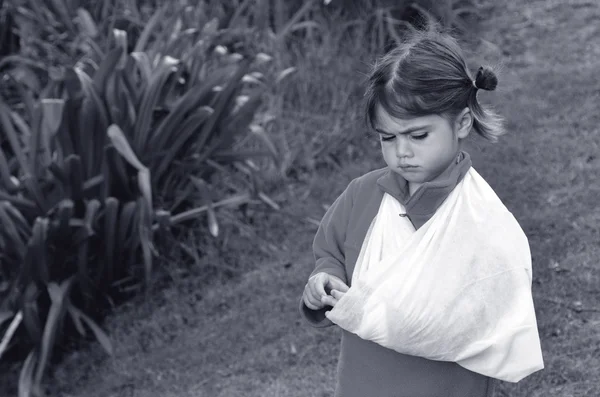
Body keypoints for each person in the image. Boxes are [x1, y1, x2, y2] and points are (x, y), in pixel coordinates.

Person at [299, 25, 544, 397]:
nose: (402, 152)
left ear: (461, 123)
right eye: (388, 138)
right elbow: (329, 253)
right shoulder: (362, 196)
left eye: (417, 136)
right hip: (364, 383)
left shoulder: (478, 218)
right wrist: (323, 281)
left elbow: (494, 306)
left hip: (447, 386)